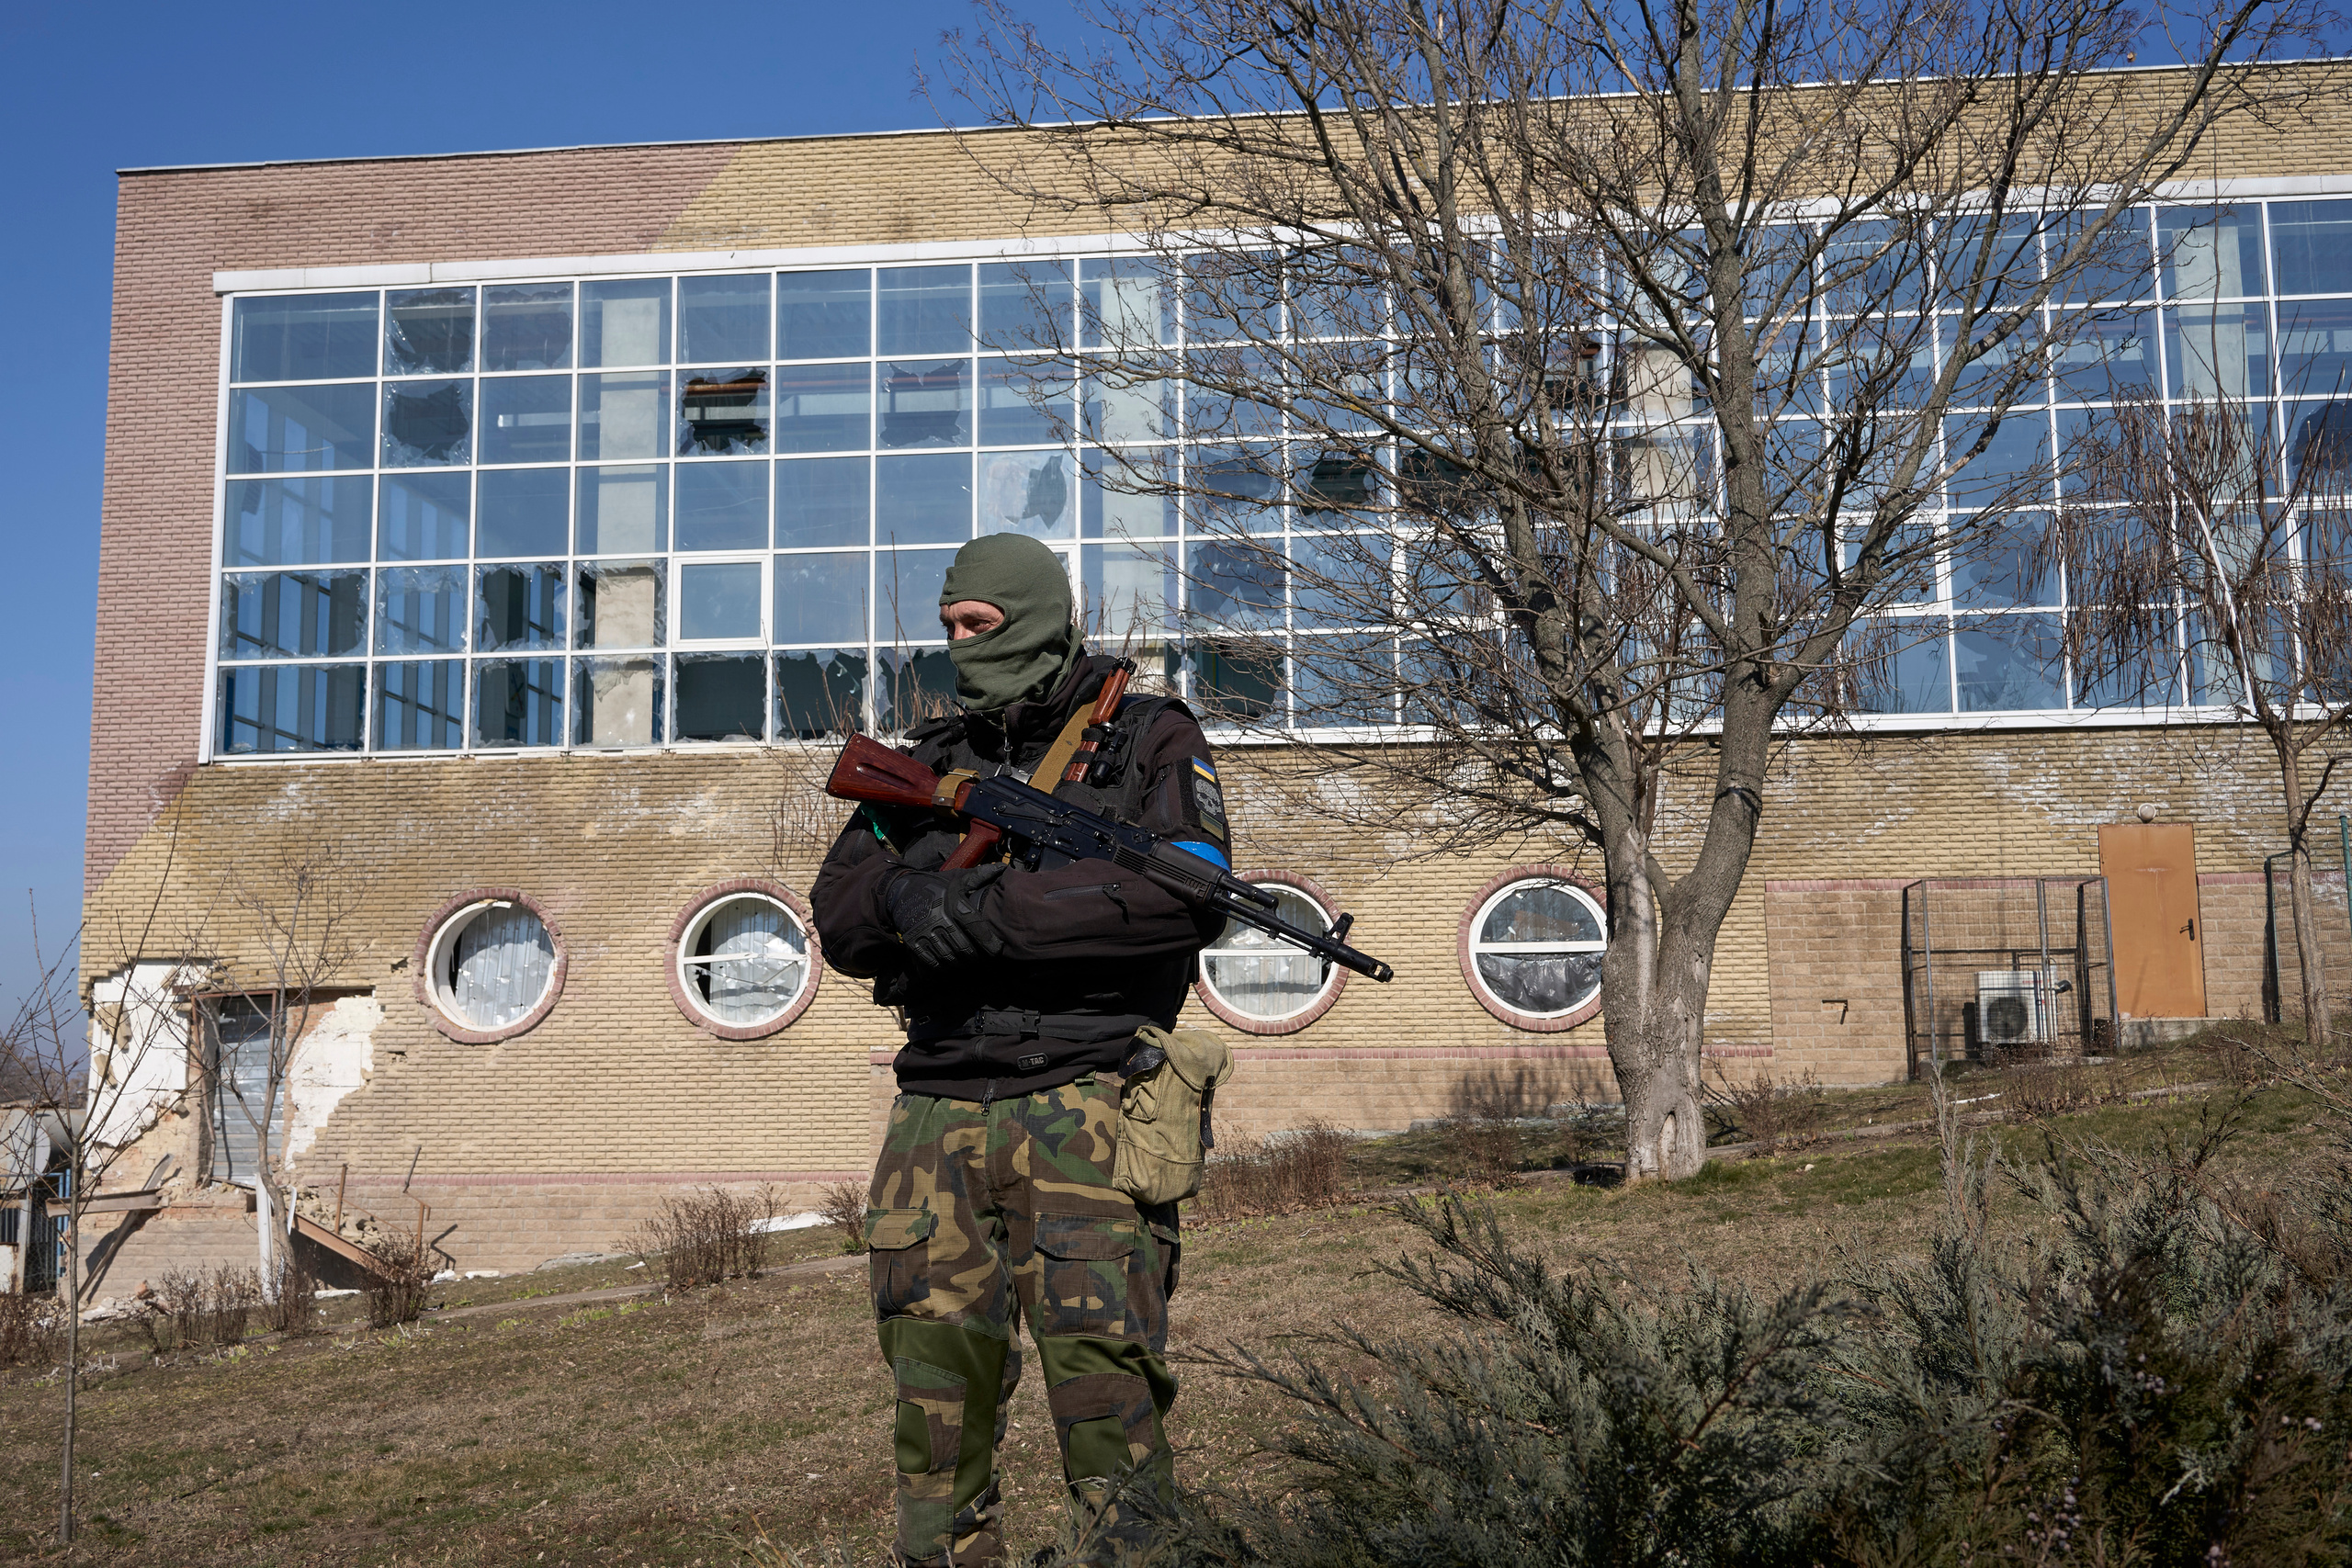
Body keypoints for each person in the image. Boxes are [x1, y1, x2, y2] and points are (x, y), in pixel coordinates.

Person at [811, 532, 1233, 1568]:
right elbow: (837, 907)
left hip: (1084, 1103)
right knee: (934, 1418)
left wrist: (993, 909)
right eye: (950, 628)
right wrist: (910, 895)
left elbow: (1184, 895)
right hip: (936, 1118)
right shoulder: (929, 756)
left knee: (1109, 1405)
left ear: (1042, 618)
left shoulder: (1148, 738)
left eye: (981, 627)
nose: (960, 645)